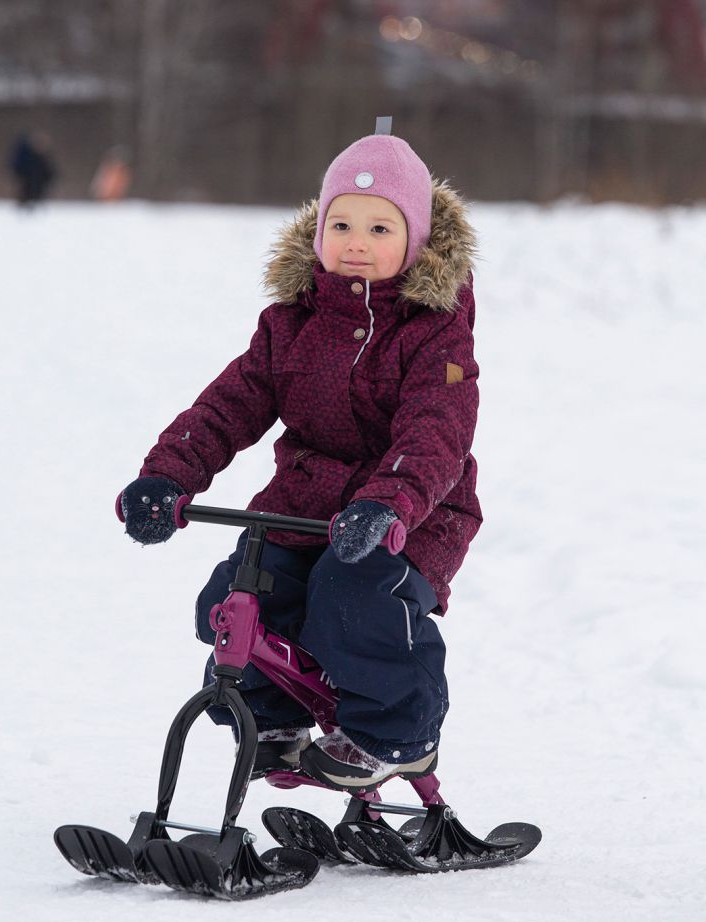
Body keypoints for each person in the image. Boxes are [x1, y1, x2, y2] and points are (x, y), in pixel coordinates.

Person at [117, 121, 480, 791]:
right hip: (306, 505)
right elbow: (230, 404)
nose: (357, 245)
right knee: (236, 597)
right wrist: (167, 474)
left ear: (417, 240)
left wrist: (387, 503)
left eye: (380, 228)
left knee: (351, 599)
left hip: (414, 512)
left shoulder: (437, 336)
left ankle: (397, 733)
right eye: (342, 226)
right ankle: (273, 724)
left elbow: (438, 432)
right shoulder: (291, 323)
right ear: (318, 232)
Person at [8, 131, 56, 207]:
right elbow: (16, 167)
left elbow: (50, 171)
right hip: (27, 183)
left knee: (35, 200)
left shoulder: (44, 157)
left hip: (38, 186)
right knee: (25, 197)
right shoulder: (25, 155)